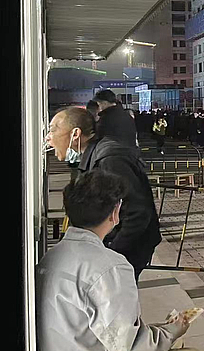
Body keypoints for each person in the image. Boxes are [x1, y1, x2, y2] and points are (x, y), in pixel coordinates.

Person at [37, 170, 204, 351]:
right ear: (115, 213)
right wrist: (171, 331)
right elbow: (128, 347)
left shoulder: (50, 258)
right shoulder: (110, 266)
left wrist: (165, 332)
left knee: (175, 345)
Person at [46, 107, 161, 280]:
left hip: (127, 250)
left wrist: (112, 253)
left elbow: (138, 212)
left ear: (75, 134)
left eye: (53, 130)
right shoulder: (95, 156)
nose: (48, 138)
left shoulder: (110, 160)